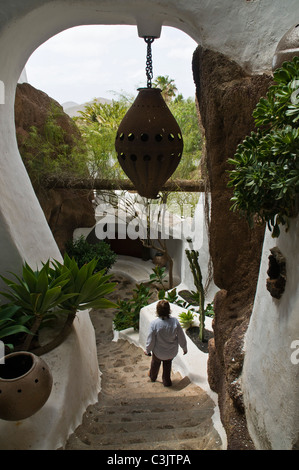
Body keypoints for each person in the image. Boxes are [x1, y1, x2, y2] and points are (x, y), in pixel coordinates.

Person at [144, 299, 187, 387]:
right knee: (167, 365)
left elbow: (150, 340)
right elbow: (181, 337)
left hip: (158, 353)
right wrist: (184, 348)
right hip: (171, 352)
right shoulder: (175, 322)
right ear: (169, 310)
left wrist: (147, 350)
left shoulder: (154, 324)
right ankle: (166, 381)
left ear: (157, 311)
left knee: (155, 363)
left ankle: (153, 376)